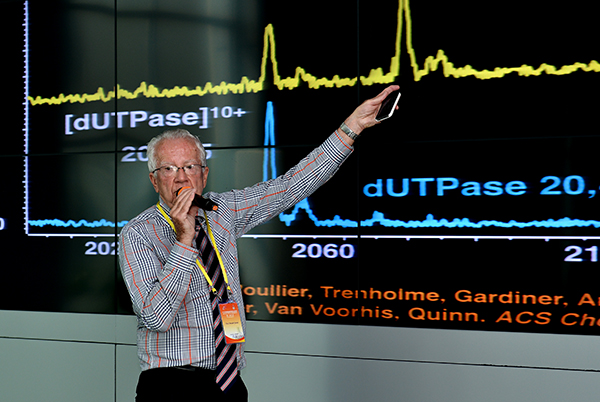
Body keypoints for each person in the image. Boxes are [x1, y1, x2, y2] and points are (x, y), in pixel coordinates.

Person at [119, 85, 400, 401]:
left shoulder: (222, 210)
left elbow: (290, 186)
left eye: (190, 167)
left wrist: (352, 127)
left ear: (204, 175)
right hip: (171, 386)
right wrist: (184, 241)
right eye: (169, 169)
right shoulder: (138, 233)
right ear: (154, 180)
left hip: (228, 381)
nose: (181, 177)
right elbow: (156, 318)